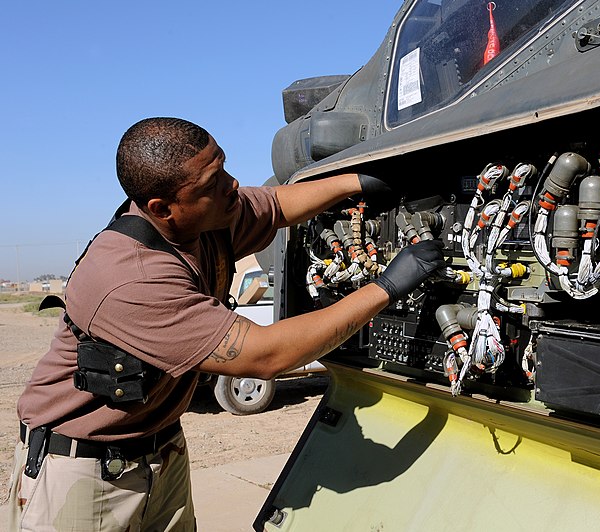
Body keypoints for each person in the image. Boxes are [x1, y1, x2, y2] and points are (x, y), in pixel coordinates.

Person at [6, 117, 444, 531]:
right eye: (213, 184)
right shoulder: (131, 279)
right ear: (162, 208)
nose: (233, 185)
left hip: (160, 450)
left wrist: (359, 183)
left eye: (225, 168)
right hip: (85, 472)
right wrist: (387, 285)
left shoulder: (207, 217)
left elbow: (273, 205)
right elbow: (269, 355)